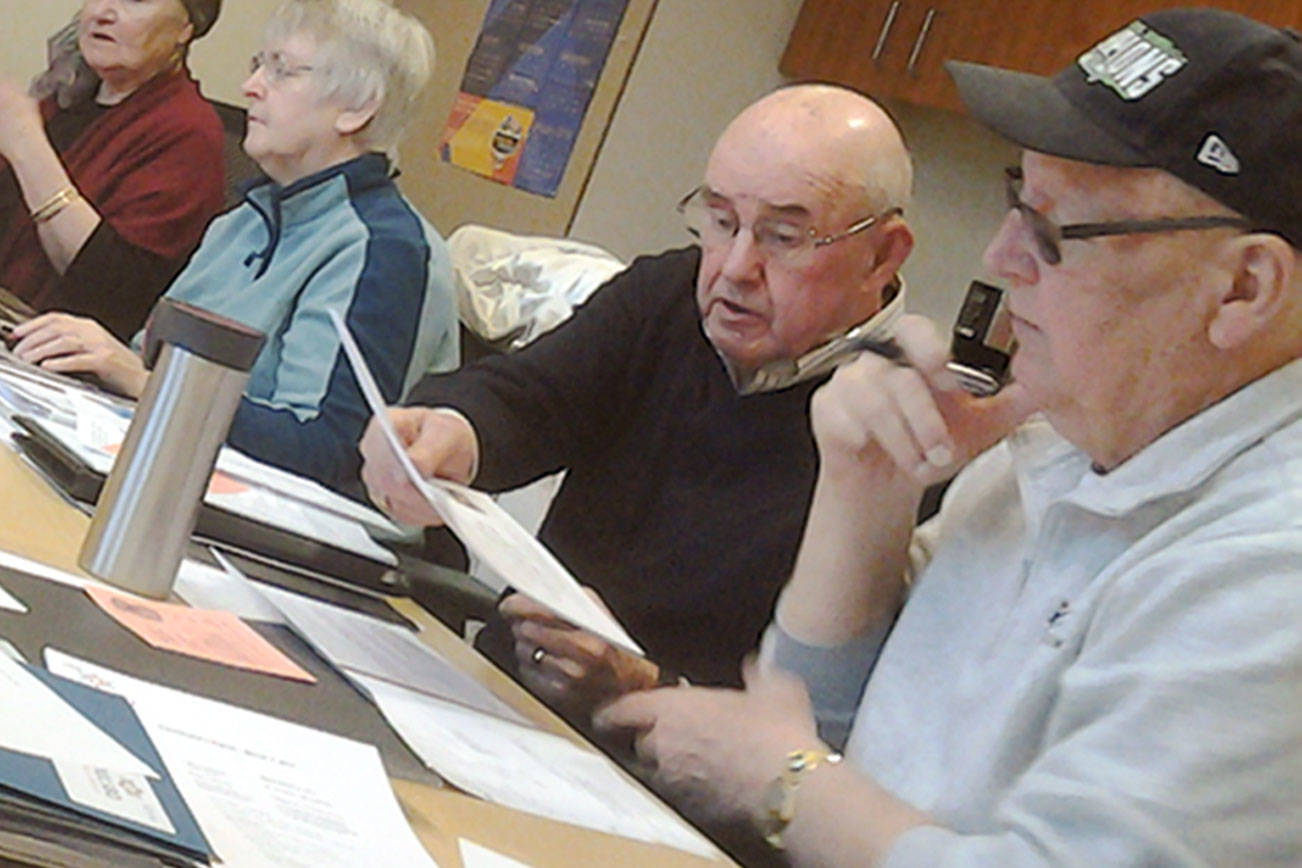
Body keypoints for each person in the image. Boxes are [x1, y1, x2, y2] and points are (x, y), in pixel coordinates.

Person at [597, 8, 1302, 866]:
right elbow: (818, 731)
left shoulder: (1270, 567)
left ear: (1244, 288)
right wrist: (864, 491)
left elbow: (800, 772)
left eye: (1051, 231)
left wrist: (781, 782)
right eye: (1017, 204)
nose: (1003, 254)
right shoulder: (1047, 452)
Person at [359, 84, 915, 714]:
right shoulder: (669, 295)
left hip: (675, 781)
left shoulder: (906, 433)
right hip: (501, 696)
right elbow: (532, 396)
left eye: (783, 237)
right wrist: (452, 431)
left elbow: (823, 731)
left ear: (881, 256)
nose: (735, 267)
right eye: (722, 221)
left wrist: (647, 686)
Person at [12, 0, 458, 493]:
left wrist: (141, 382)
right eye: (257, 65)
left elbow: (330, 449)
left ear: (357, 109)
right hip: (167, 471)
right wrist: (106, 361)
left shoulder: (382, 249)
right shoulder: (241, 221)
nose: (251, 87)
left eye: (282, 71)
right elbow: (147, 359)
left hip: (288, 532)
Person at [0, 0, 225, 340]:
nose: (101, 13)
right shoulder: (63, 100)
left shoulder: (189, 133)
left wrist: (27, 146)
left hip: (51, 358)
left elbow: (115, 295)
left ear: (187, 28)